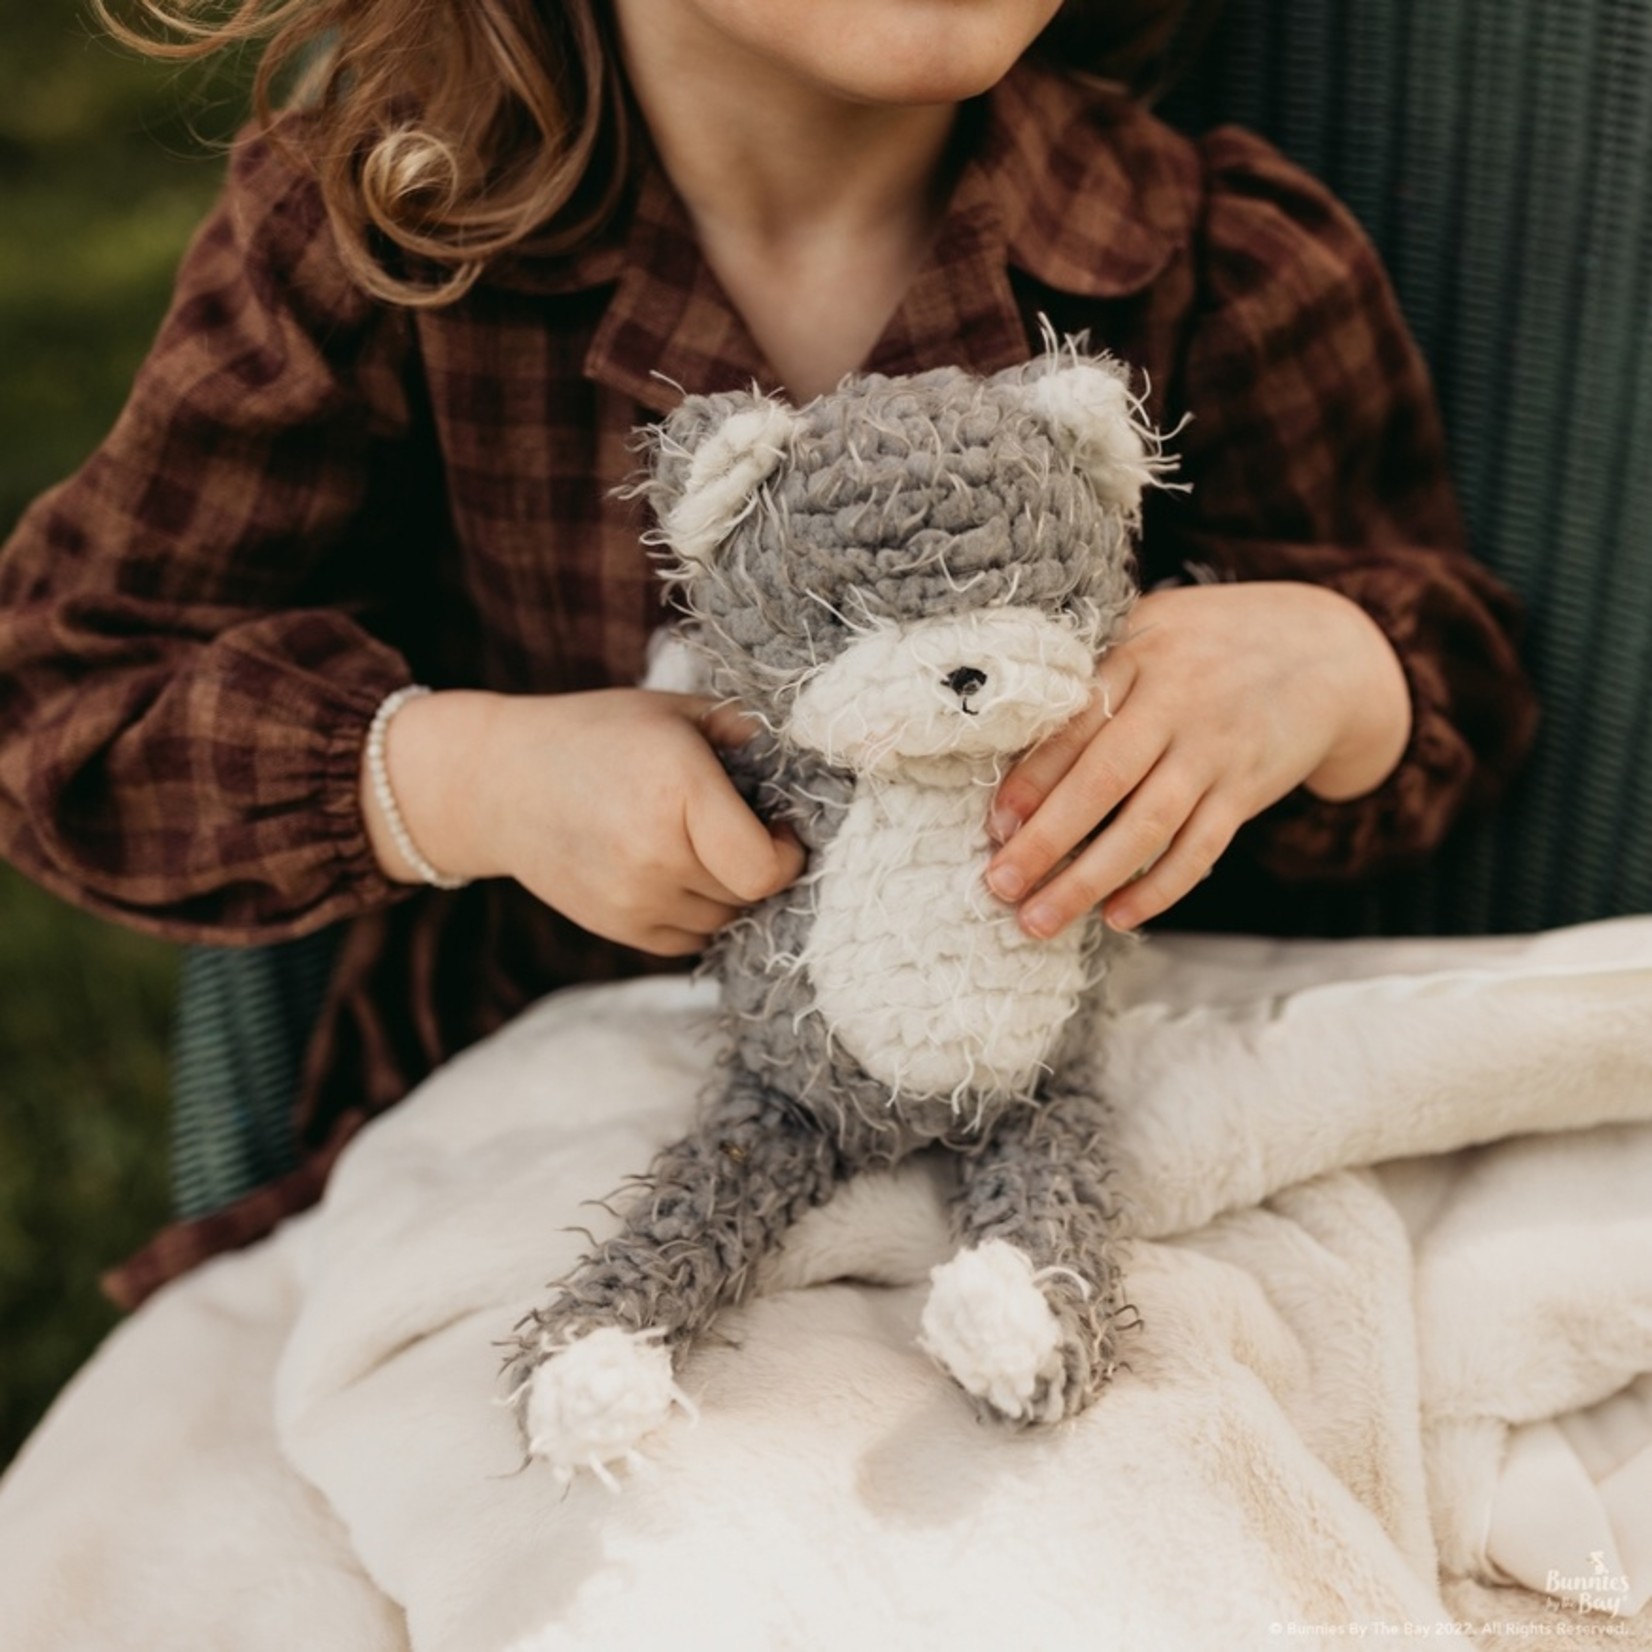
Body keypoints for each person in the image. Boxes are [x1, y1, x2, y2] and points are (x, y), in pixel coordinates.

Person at [0, 0, 1536, 1306]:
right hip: (550, 1144)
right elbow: (66, 701)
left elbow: (1458, 671)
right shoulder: (380, 239)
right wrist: (467, 778)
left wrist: (1329, 675)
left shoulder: (1213, 251)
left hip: (1068, 1139)